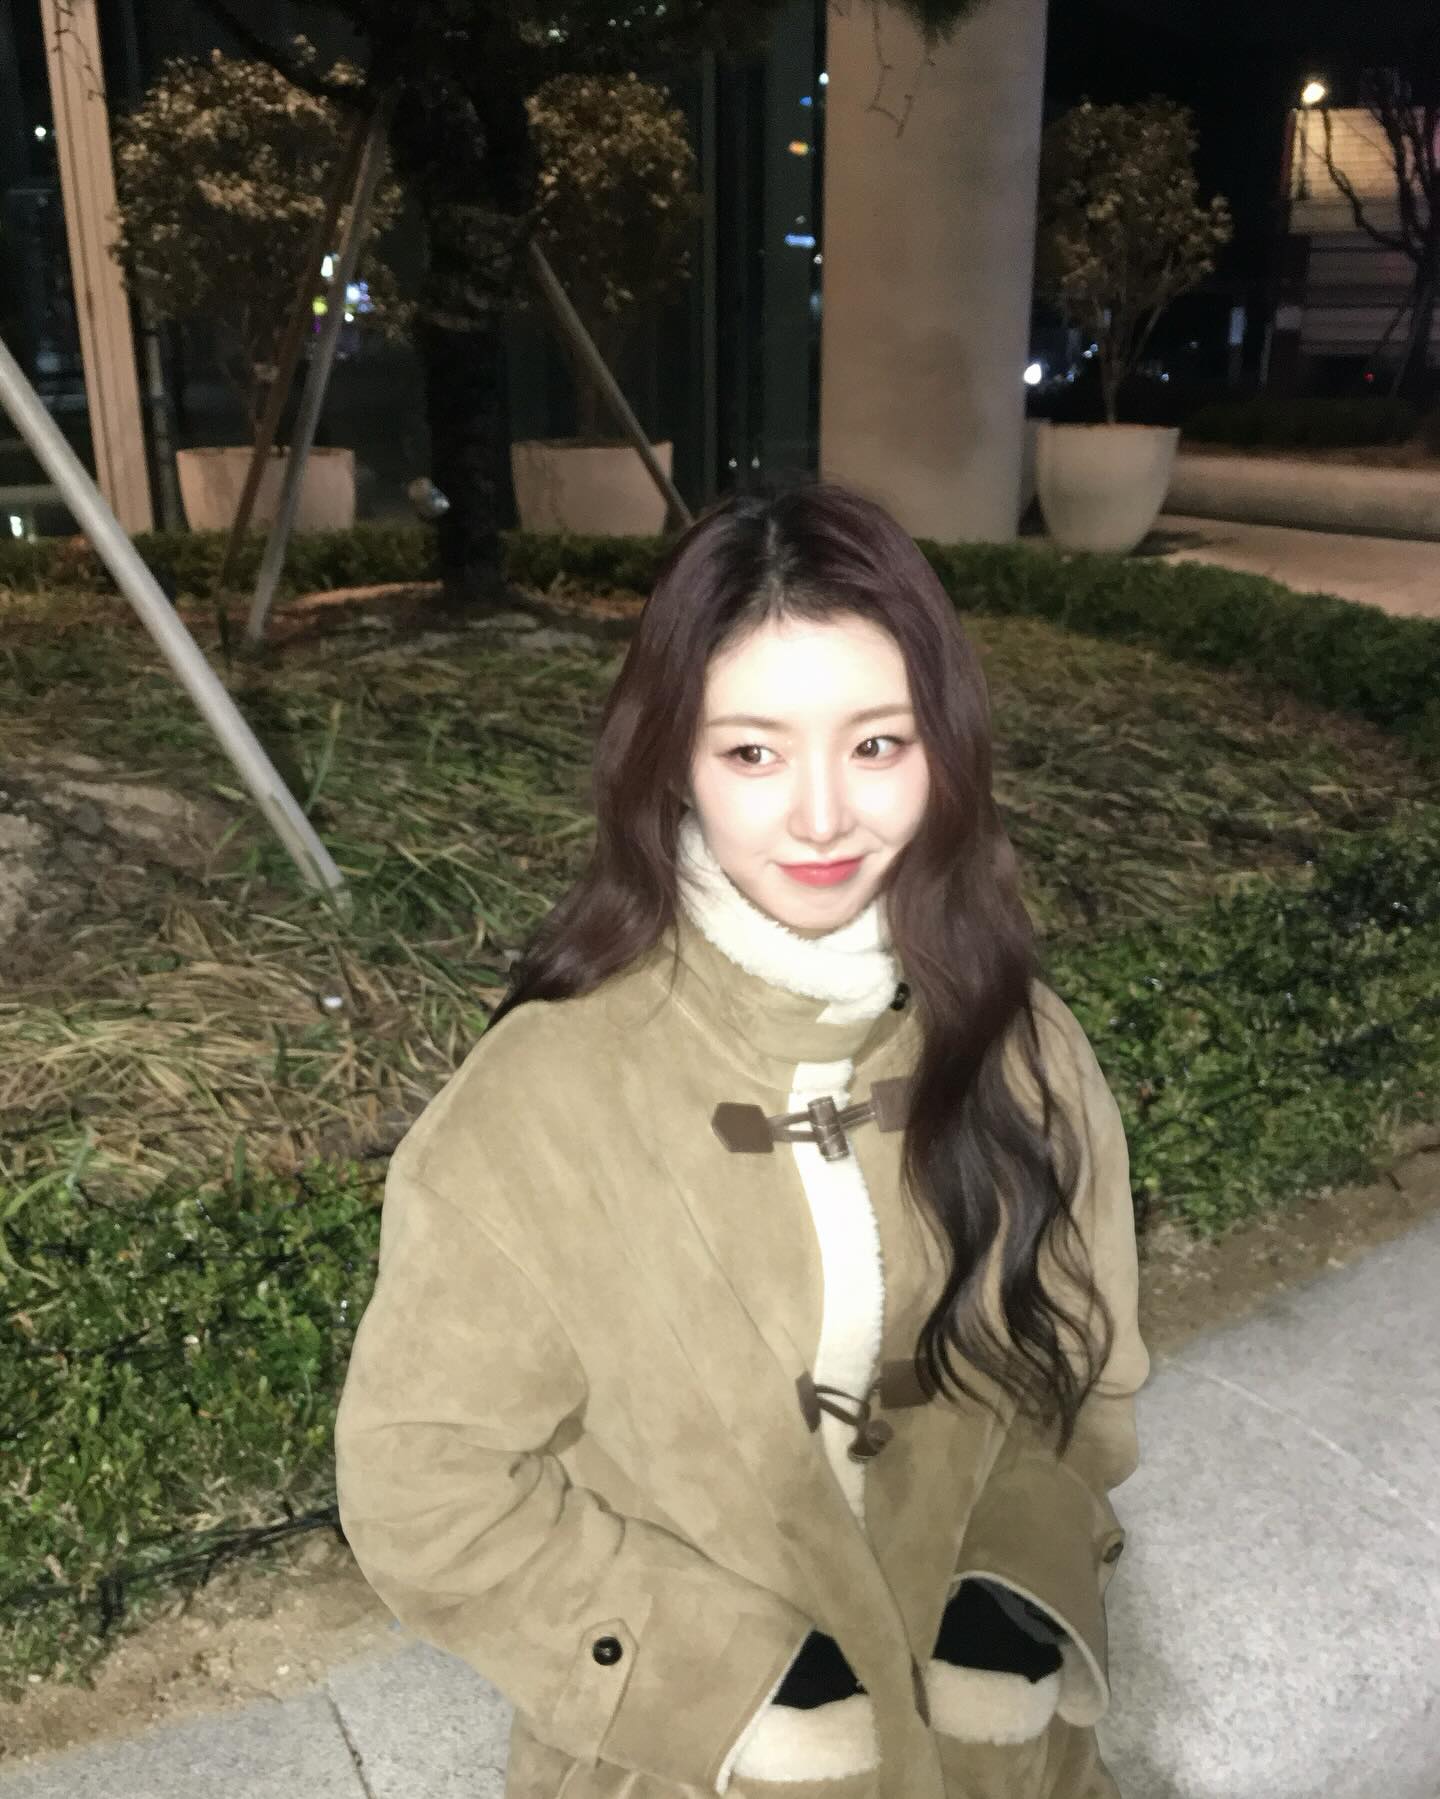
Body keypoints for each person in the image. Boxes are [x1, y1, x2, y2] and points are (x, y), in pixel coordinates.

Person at [333, 478, 1150, 1799]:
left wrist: (1021, 1586)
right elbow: (424, 1485)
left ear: (945, 749)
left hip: (1003, 1761)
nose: (823, 816)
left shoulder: (1022, 1043)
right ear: (674, 762)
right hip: (696, 1770)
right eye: (754, 753)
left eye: (876, 744)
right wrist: (715, 1682)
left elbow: (1090, 1368)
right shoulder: (538, 1102)